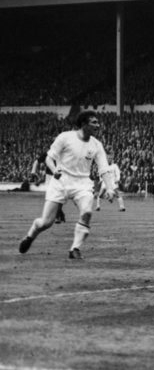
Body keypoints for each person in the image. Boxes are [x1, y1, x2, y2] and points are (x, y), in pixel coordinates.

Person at [18, 110, 119, 260]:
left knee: (87, 212)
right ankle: (30, 236)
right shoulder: (65, 137)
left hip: (83, 184)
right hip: (61, 182)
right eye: (94, 122)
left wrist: (110, 188)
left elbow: (104, 168)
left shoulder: (97, 145)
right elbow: (48, 159)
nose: (98, 125)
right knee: (46, 223)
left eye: (97, 122)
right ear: (84, 124)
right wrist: (54, 169)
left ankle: (75, 249)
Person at [30, 149, 65, 223]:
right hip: (50, 177)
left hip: (60, 176)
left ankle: (58, 215)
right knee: (54, 197)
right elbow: (37, 161)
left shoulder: (63, 153)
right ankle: (59, 214)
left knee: (57, 196)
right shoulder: (48, 153)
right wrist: (33, 171)